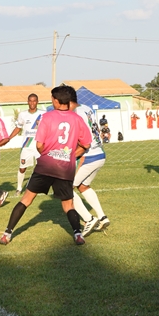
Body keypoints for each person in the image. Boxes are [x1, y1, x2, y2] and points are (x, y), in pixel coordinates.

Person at [0, 85, 92, 246]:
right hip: (65, 168)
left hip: (45, 166)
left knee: (26, 200)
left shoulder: (47, 117)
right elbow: (86, 144)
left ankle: (7, 233)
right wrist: (69, 155)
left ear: (56, 101)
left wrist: (48, 153)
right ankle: (78, 234)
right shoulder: (77, 119)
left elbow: (39, 145)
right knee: (68, 204)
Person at [72, 98, 109, 236]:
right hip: (100, 153)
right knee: (83, 186)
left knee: (66, 189)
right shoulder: (86, 108)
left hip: (88, 156)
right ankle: (102, 217)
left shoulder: (76, 114)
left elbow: (83, 140)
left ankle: (89, 219)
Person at [10, 93, 43, 194]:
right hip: (27, 145)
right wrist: (9, 138)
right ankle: (19, 188)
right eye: (30, 100)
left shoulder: (44, 113)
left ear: (37, 102)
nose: (32, 103)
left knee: (40, 168)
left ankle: (37, 188)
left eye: (34, 100)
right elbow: (18, 128)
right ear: (28, 102)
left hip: (39, 145)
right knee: (22, 168)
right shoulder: (22, 115)